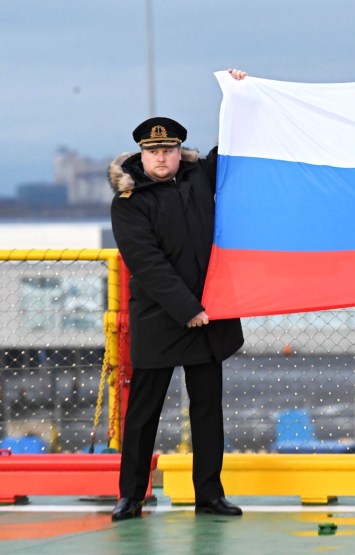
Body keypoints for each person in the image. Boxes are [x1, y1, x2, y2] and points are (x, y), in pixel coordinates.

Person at [108, 69, 247, 522]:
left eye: (168, 149)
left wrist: (242, 98)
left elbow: (236, 148)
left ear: (178, 151)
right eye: (153, 151)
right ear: (142, 156)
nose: (161, 157)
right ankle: (131, 495)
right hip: (163, 319)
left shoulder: (199, 178)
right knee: (144, 413)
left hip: (211, 316)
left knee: (208, 412)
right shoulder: (129, 203)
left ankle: (209, 494)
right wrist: (188, 310)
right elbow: (147, 264)